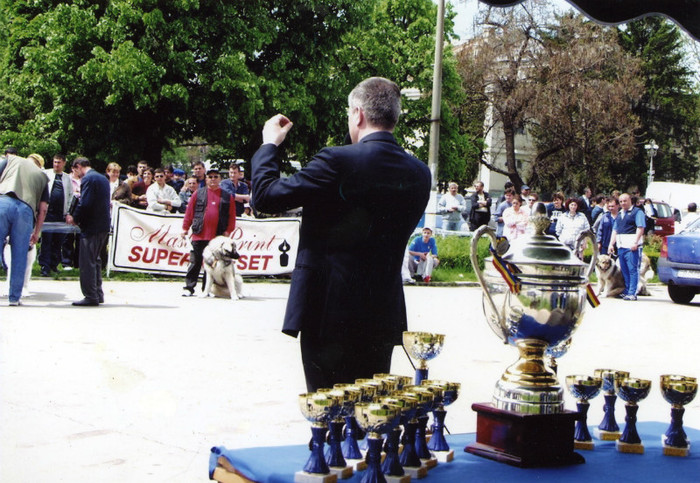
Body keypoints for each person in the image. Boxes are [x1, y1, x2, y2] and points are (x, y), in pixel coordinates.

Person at [250, 77, 431, 391]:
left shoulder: (338, 160)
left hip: (328, 311)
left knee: (328, 418)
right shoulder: (419, 172)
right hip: (381, 311)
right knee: (370, 416)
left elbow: (265, 196)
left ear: (358, 113)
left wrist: (269, 145)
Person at [0, 153, 49, 306]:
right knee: (20, 254)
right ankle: (14, 298)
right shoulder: (42, 176)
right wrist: (37, 232)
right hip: (25, 210)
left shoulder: (10, 159)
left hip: (3, 202)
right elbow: (43, 209)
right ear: (39, 165)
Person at [180, 169, 236, 297]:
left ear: (220, 179)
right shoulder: (198, 194)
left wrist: (228, 231)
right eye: (210, 177)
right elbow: (189, 212)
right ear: (206, 179)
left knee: (211, 264)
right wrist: (185, 228)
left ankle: (207, 289)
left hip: (217, 238)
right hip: (199, 234)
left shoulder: (227, 196)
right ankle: (189, 287)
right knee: (195, 262)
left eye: (216, 176)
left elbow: (232, 216)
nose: (213, 179)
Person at [66, 157, 111, 306]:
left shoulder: (88, 179)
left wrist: (75, 217)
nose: (76, 174)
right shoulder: (102, 178)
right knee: (95, 260)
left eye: (75, 170)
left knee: (87, 262)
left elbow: (85, 203)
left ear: (78, 166)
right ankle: (98, 293)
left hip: (92, 226)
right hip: (103, 225)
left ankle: (90, 296)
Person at [39, 154, 74, 276]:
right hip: (48, 213)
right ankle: (45, 265)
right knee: (47, 240)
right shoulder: (46, 174)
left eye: (59, 162)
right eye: (55, 162)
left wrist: (68, 212)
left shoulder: (67, 178)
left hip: (61, 213)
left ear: (64, 163)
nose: (56, 164)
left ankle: (54, 263)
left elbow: (70, 195)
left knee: (58, 241)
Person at [609, 193, 646, 301]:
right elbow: (615, 230)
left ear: (630, 200)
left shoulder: (637, 212)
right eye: (620, 201)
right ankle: (627, 290)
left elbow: (640, 227)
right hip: (621, 246)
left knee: (633, 269)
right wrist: (611, 244)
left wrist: (635, 242)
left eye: (625, 201)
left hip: (632, 247)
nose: (623, 203)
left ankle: (632, 293)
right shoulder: (619, 214)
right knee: (624, 270)